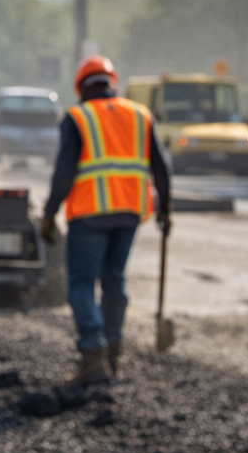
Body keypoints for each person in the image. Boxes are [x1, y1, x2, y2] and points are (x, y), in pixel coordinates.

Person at [41, 55, 172, 385]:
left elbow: (64, 171)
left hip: (89, 214)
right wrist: (166, 211)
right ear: (111, 82)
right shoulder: (140, 114)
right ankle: (114, 353)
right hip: (128, 214)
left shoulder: (77, 116)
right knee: (115, 281)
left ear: (80, 87)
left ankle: (93, 355)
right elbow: (161, 168)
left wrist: (48, 212)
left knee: (81, 285)